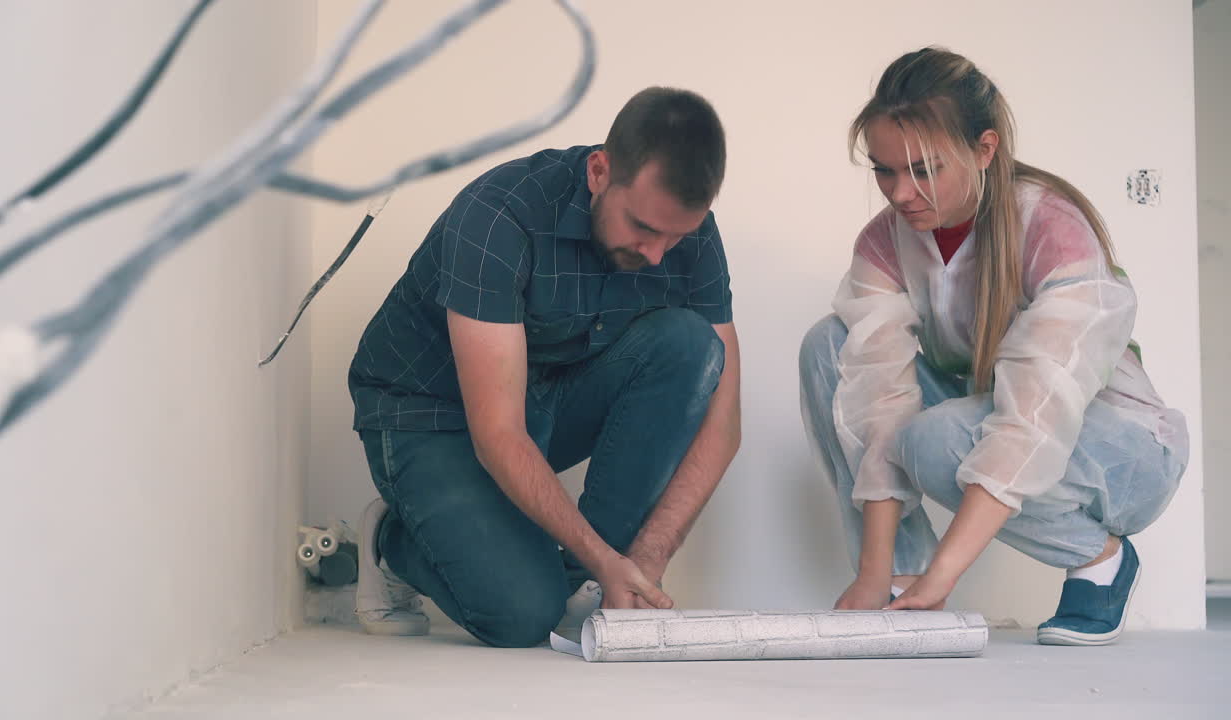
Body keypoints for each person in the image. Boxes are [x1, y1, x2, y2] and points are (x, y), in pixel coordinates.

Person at [799, 47, 1188, 646]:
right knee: (830, 344)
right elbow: (878, 403)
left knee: (934, 438)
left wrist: (945, 575)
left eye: (924, 169)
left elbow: (1036, 409)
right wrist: (876, 574)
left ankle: (1101, 559)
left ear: (984, 149)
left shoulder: (1049, 224)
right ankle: (899, 580)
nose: (899, 193)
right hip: (990, 425)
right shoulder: (882, 243)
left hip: (1125, 453)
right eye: (883, 170)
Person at [348, 87, 741, 648]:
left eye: (676, 236)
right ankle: (391, 537)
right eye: (644, 229)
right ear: (600, 171)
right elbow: (498, 433)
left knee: (692, 346)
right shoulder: (496, 217)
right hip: (427, 416)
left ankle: (585, 587)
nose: (658, 254)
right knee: (520, 618)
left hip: (532, 402)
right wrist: (606, 555)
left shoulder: (688, 234)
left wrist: (643, 560)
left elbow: (723, 424)